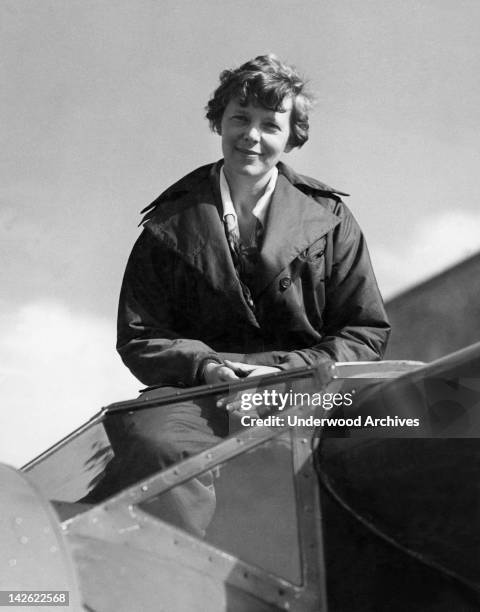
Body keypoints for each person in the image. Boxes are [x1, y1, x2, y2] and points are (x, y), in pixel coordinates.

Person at [84, 55, 390, 531]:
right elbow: (142, 334)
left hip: (307, 391)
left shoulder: (331, 219)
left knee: (410, 434)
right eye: (240, 119)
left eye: (271, 124)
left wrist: (283, 372)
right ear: (219, 123)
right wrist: (208, 367)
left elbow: (364, 331)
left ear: (292, 136)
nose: (252, 135)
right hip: (198, 396)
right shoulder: (166, 225)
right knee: (153, 444)